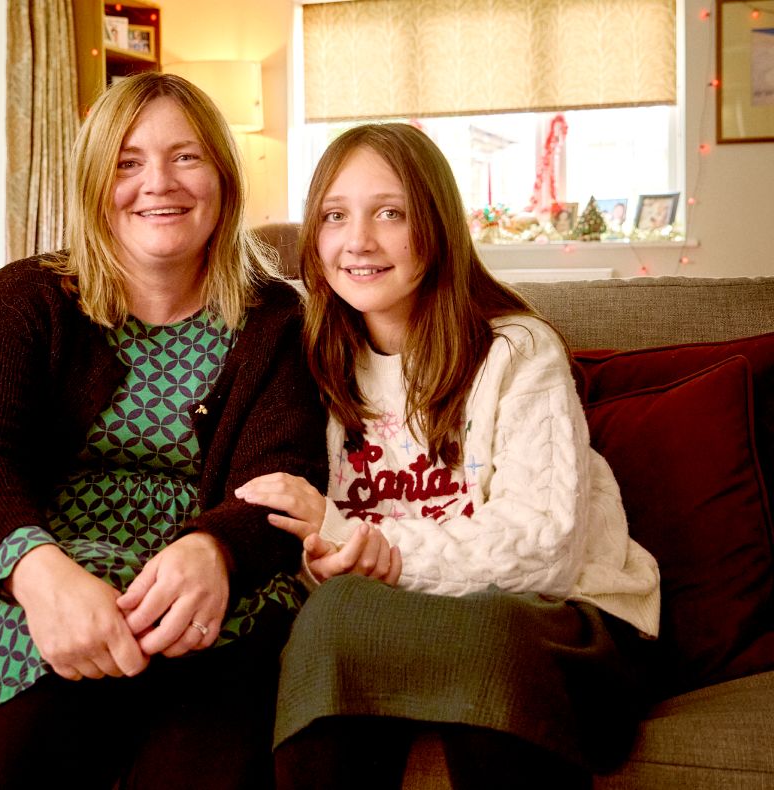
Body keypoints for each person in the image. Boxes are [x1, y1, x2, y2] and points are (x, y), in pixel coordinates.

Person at [0, 72, 327, 790]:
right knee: (36, 653)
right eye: (128, 162)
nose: (158, 183)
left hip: (203, 592)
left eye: (186, 157)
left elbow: (282, 474)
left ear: (223, 178)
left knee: (235, 668)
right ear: (95, 183)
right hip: (24, 576)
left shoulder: (278, 321)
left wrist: (216, 550)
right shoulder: (23, 299)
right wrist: (43, 579)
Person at [234, 123, 660, 789]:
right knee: (331, 617)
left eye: (391, 213)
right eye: (335, 216)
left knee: (477, 629)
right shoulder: (311, 357)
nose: (359, 241)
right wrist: (329, 556)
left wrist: (379, 549)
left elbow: (542, 550)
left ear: (433, 226)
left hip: (565, 625)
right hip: (403, 626)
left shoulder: (515, 351)